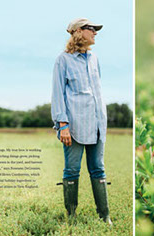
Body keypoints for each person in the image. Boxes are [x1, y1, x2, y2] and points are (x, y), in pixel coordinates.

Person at [51, 18, 111, 225]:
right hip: (74, 124)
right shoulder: (63, 60)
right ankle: (72, 217)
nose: (95, 32)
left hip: (96, 123)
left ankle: (105, 216)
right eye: (91, 29)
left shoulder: (94, 59)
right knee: (72, 170)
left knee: (98, 168)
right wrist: (63, 124)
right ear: (78, 32)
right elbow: (58, 94)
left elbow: (98, 92)